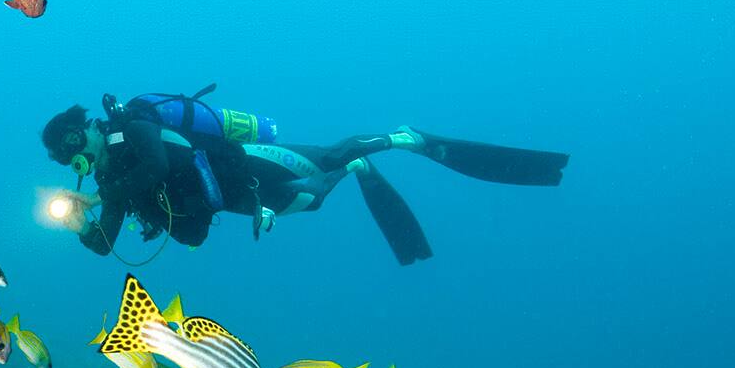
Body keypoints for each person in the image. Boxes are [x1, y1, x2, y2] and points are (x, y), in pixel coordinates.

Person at [40, 88, 569, 265]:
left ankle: (401, 137)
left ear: (85, 129)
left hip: (245, 165)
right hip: (236, 202)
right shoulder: (109, 186)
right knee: (314, 202)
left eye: (76, 146)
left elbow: (157, 166)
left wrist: (107, 192)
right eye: (70, 164)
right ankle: (361, 167)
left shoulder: (133, 127)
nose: (79, 162)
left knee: (328, 156)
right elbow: (106, 244)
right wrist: (81, 224)